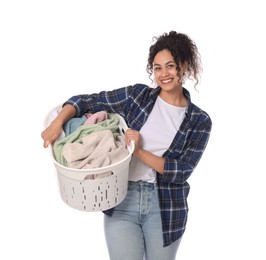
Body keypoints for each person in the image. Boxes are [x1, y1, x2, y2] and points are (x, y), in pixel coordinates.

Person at [41, 31, 212, 260]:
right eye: (158, 68)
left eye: (170, 66)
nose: (164, 74)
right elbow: (87, 101)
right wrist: (58, 122)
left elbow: (181, 171)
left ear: (185, 65)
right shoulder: (137, 96)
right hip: (122, 198)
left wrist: (138, 151)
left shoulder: (199, 120)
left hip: (165, 209)